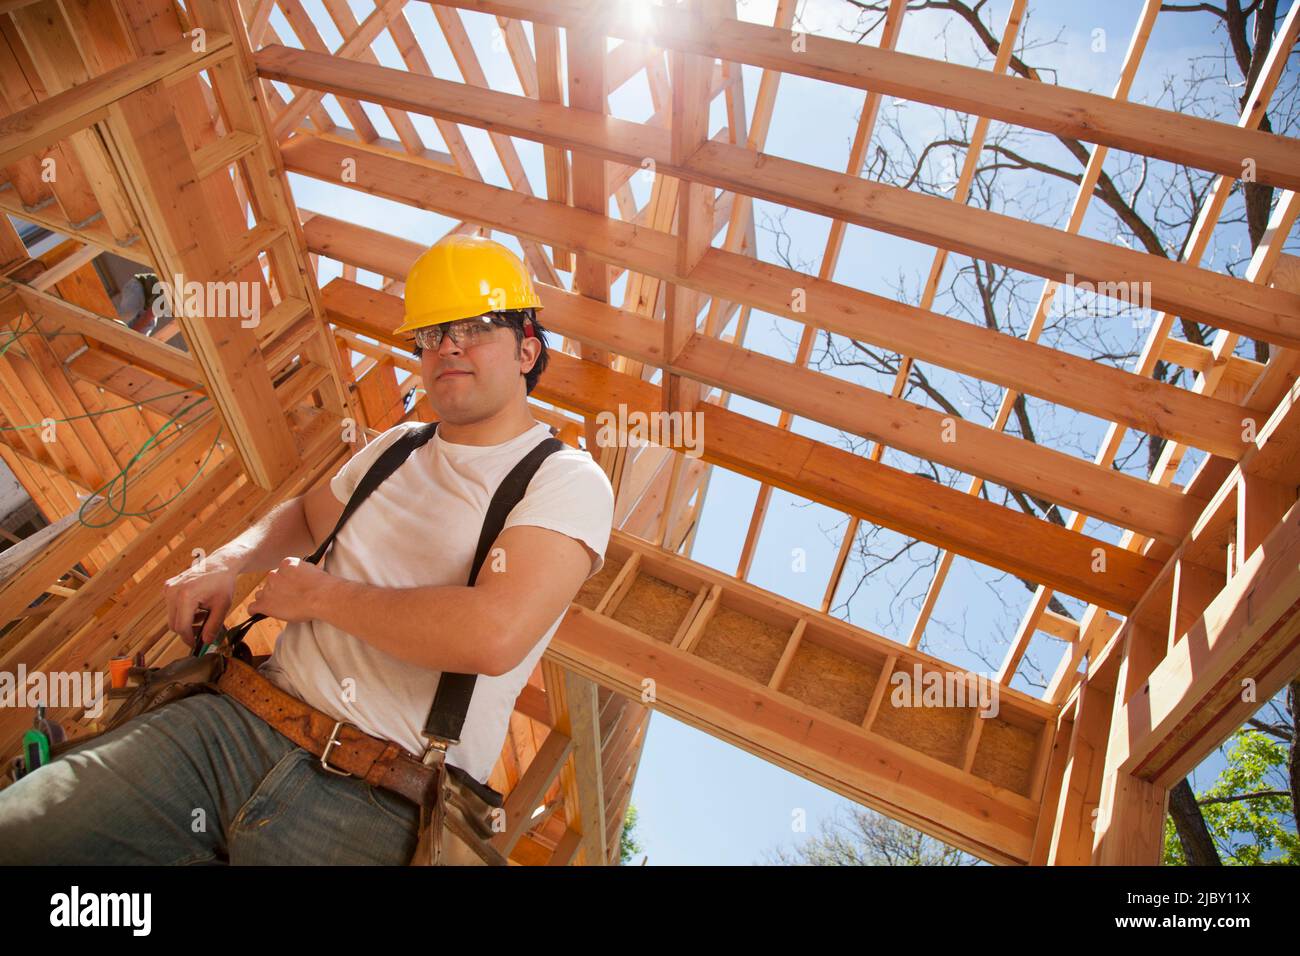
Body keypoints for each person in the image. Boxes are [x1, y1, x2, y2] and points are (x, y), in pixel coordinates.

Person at [0, 235, 615, 864]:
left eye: (478, 326)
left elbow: (493, 633)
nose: (448, 345)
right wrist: (225, 562)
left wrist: (322, 598)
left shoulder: (563, 479)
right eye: (430, 333)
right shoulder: (397, 446)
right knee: (24, 836)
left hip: (374, 805)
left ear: (527, 351)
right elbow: (302, 517)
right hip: (232, 728)